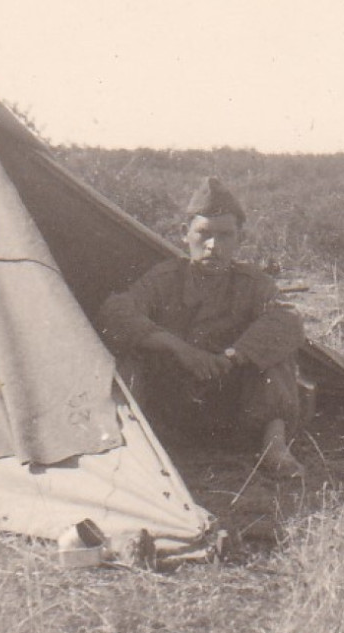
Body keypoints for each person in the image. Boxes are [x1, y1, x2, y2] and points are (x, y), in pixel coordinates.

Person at [97, 177, 307, 478]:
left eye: (225, 236)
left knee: (277, 356)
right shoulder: (165, 278)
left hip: (232, 402)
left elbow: (287, 320)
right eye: (203, 235)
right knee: (130, 356)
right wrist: (178, 348)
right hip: (172, 403)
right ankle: (134, 446)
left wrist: (234, 356)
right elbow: (116, 312)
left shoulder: (253, 283)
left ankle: (274, 448)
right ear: (185, 234)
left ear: (240, 239)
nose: (213, 247)